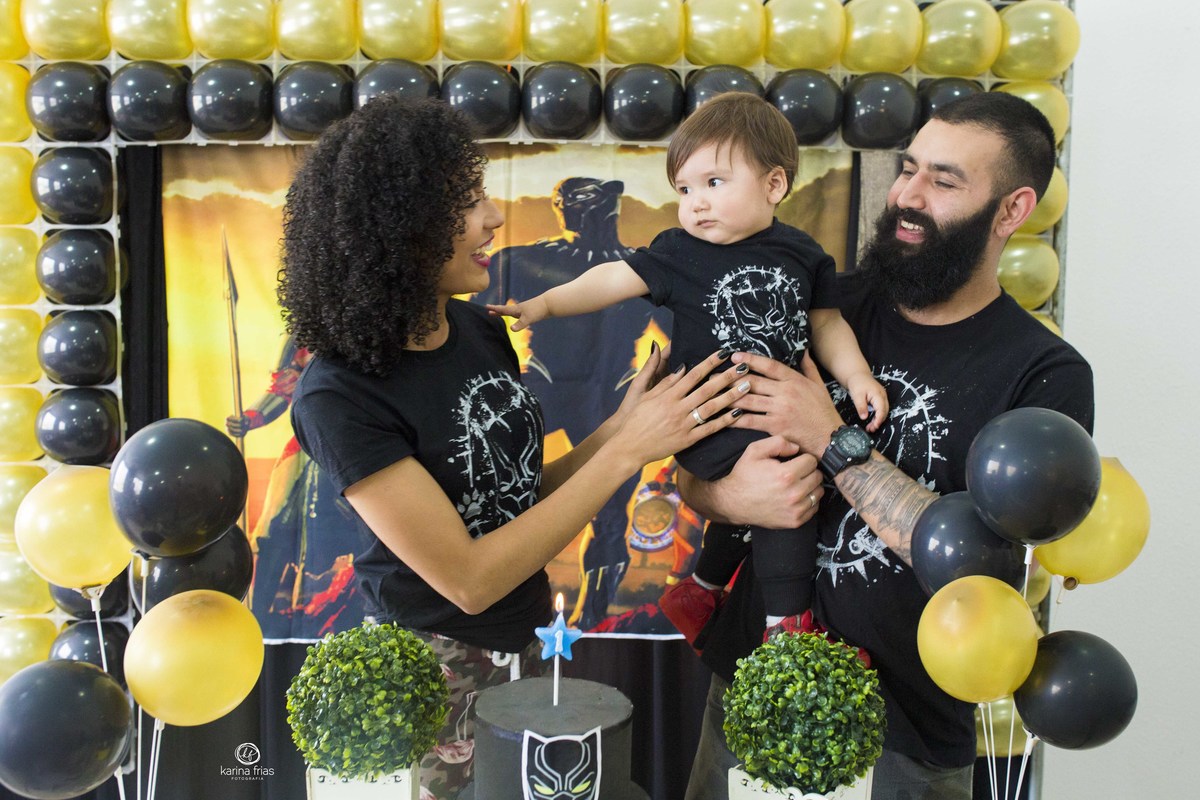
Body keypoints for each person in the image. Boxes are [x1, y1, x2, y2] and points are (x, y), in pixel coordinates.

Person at [278, 94, 749, 799]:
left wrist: (622, 428)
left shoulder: (481, 331)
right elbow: (469, 579)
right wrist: (625, 453)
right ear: (398, 227)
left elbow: (516, 499)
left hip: (525, 649)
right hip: (431, 672)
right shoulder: (339, 396)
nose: (493, 217)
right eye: (466, 203)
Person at [678, 92, 1095, 800]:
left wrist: (828, 436)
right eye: (908, 168)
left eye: (944, 180)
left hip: (908, 738)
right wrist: (726, 495)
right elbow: (693, 471)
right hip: (755, 694)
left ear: (1012, 211)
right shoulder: (822, 306)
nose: (907, 195)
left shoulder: (1043, 375)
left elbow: (981, 571)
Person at [487, 92, 888, 645]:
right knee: (786, 498)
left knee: (765, 494)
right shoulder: (678, 252)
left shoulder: (804, 254)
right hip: (711, 417)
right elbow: (611, 278)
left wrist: (857, 376)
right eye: (684, 189)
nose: (696, 203)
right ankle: (787, 631)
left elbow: (827, 324)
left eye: (714, 183)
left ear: (774, 185)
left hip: (775, 414)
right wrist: (546, 304)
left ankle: (701, 588)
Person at [475, 176, 672, 630]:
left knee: (611, 513)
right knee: (495, 489)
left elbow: (681, 339)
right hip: (543, 385)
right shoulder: (523, 259)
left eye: (582, 203)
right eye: (567, 203)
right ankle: (500, 605)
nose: (571, 210)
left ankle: (592, 621)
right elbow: (472, 325)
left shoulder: (646, 269)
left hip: (611, 393)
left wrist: (660, 388)